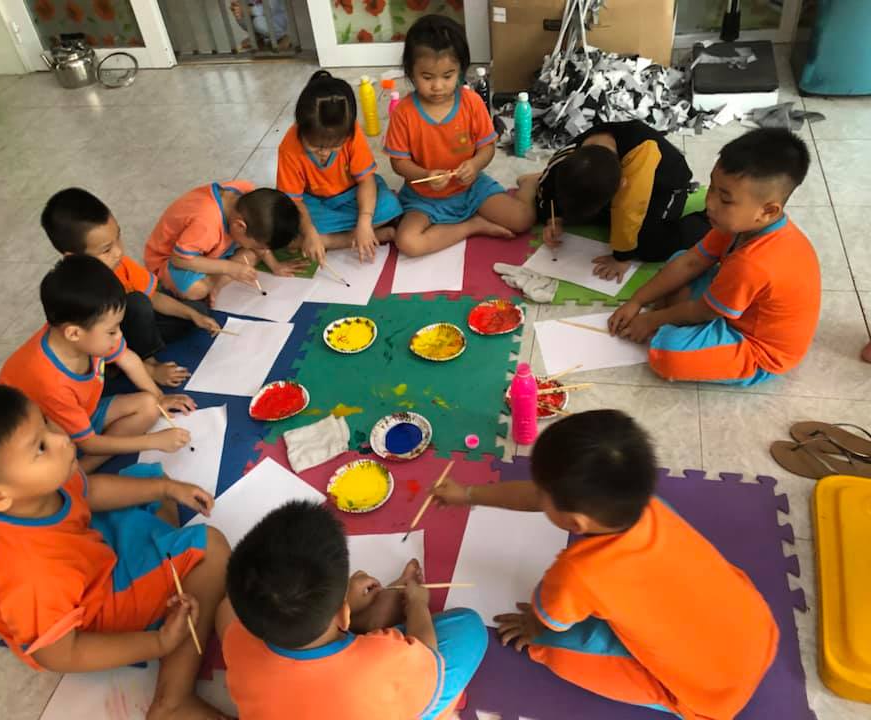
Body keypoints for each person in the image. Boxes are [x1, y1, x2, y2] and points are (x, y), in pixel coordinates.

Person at [0, 385, 232, 720]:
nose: (62, 439)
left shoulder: (22, 491)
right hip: (88, 615)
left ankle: (163, 563)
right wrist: (159, 643)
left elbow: (87, 491)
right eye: (40, 447)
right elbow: (60, 653)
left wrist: (166, 487)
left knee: (150, 481)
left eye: (46, 422)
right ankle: (173, 700)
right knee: (210, 548)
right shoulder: (30, 575)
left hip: (88, 557)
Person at [433, 410, 778, 719]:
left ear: (575, 523)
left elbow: (548, 622)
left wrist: (532, 627)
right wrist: (469, 495)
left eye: (542, 494)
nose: (537, 495)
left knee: (553, 648)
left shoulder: (578, 572)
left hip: (714, 696)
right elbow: (542, 497)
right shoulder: (652, 507)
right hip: (759, 630)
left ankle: (679, 703)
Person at [216, 500, 488, 719]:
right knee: (469, 627)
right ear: (343, 614)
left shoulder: (237, 640)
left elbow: (228, 609)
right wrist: (417, 604)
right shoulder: (381, 662)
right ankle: (366, 627)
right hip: (377, 684)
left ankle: (352, 627)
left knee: (225, 609)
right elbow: (428, 655)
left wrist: (340, 605)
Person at [608, 128, 819, 386]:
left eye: (726, 200)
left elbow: (704, 311)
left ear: (768, 211)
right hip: (736, 304)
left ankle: (681, 326)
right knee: (680, 258)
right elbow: (691, 261)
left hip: (757, 348)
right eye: (712, 188)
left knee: (667, 354)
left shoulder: (753, 263)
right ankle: (684, 319)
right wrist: (637, 301)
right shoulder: (739, 226)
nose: (710, 203)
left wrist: (651, 320)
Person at [0, 256, 196, 473]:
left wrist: (159, 397)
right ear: (74, 333)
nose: (119, 335)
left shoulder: (86, 335)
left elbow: (127, 358)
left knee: (150, 406)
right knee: (61, 453)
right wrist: (153, 441)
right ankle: (78, 472)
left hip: (80, 412)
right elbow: (89, 443)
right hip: (42, 437)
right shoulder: (51, 381)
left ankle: (84, 466)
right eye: (112, 331)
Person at [384, 14, 535, 257]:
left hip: (471, 188)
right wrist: (425, 175)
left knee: (522, 220)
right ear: (411, 72)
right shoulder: (404, 112)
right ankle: (473, 226)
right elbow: (398, 162)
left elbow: (487, 148)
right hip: (424, 198)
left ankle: (528, 183)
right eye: (427, 77)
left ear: (461, 71)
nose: (438, 86)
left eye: (447, 76)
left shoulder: (471, 102)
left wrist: (474, 165)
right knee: (408, 243)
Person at [42, 188, 221, 388]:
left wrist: (192, 315)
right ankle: (145, 362)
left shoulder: (120, 264)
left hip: (129, 329)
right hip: (104, 343)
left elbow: (154, 297)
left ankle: (140, 351)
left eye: (118, 237)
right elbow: (89, 342)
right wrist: (151, 369)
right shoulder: (77, 292)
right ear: (74, 257)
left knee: (196, 310)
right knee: (137, 303)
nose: (118, 251)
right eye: (106, 249)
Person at [522, 120, 711, 283]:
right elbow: (548, 188)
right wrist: (555, 219)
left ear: (621, 185)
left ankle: (707, 222)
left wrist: (621, 257)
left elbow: (630, 210)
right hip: (615, 186)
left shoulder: (639, 157)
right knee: (562, 207)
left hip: (665, 187)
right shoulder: (565, 158)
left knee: (649, 246)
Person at [277, 70, 403, 263]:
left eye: (334, 146)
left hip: (353, 194)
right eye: (315, 147)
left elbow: (366, 181)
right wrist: (310, 233)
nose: (324, 153)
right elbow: (294, 201)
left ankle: (333, 239)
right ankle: (358, 236)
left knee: (389, 205)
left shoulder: (352, 133)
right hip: (315, 202)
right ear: (300, 128)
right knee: (284, 224)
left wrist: (364, 221)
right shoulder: (289, 147)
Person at [144, 183, 304, 304]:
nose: (262, 250)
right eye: (258, 245)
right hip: (170, 259)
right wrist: (230, 268)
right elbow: (179, 260)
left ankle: (216, 281)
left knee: (251, 255)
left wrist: (275, 265)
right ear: (240, 226)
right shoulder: (206, 224)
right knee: (197, 290)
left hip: (208, 249)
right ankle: (213, 283)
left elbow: (259, 246)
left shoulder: (247, 196)